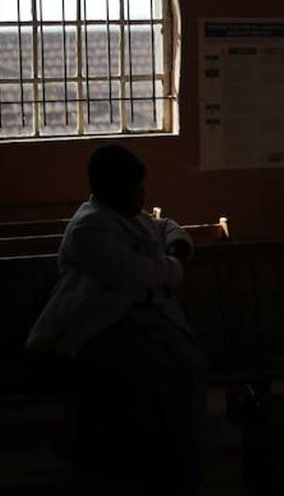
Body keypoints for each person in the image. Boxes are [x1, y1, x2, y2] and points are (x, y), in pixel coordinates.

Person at [25, 144, 208, 495]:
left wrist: (178, 244)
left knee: (187, 367)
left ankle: (176, 470)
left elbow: (165, 226)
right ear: (110, 189)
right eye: (135, 188)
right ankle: (151, 473)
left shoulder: (128, 217)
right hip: (95, 332)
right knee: (145, 379)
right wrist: (175, 266)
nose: (142, 195)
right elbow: (137, 273)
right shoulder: (88, 228)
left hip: (135, 324)